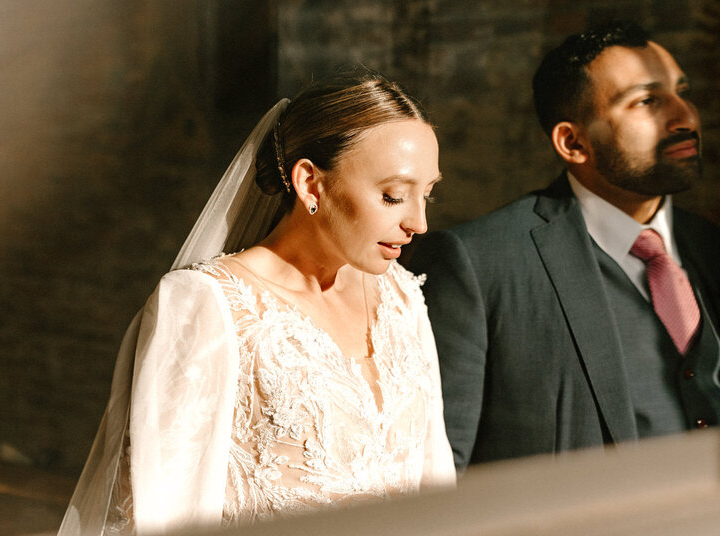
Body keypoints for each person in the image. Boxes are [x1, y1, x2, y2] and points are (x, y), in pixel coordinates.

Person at [58, 71, 455, 535]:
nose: (420, 222)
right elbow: (161, 507)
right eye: (393, 196)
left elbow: (435, 474)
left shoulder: (403, 296)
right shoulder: (207, 306)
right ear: (310, 183)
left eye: (427, 194)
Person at [409, 20, 720, 471]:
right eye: (647, 101)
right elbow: (442, 470)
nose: (685, 117)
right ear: (573, 142)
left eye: (682, 92)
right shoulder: (478, 264)